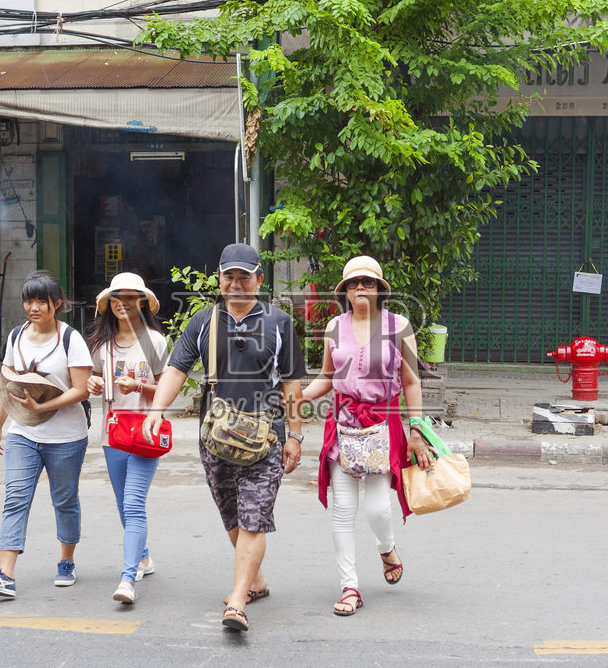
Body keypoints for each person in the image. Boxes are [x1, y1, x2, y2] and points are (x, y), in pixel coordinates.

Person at [142, 243, 307, 633]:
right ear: (219, 278)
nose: (235, 283)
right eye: (228, 275)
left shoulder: (279, 323)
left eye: (243, 276)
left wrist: (296, 435)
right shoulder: (201, 322)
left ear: (258, 280)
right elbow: (177, 370)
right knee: (231, 514)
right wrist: (155, 411)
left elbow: (292, 384)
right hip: (215, 436)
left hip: (265, 437)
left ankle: (237, 600)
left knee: (254, 518)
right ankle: (257, 580)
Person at [299, 256, 434, 617]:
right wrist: (300, 394)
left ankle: (386, 547)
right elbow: (328, 376)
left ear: (379, 289)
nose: (361, 287)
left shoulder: (399, 326)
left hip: (382, 423)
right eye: (354, 283)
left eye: (368, 282)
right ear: (344, 290)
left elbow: (411, 382)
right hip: (343, 424)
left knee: (377, 508)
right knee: (343, 511)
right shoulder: (333, 327)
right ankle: (350, 586)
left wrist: (417, 430)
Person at [0, 270, 93, 599]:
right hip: (22, 432)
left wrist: (44, 406)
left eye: (42, 301)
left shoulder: (71, 339)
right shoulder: (16, 337)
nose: (34, 307)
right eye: (29, 300)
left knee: (64, 500)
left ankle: (66, 561)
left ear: (57, 304)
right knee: (15, 498)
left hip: (66, 436)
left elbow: (81, 390)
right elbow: (7, 385)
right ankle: (5, 574)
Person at [84, 272, 170, 605]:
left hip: (147, 430)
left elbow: (167, 388)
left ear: (142, 303)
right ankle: (144, 557)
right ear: (110, 304)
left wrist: (139, 387)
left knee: (133, 503)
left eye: (132, 298)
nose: (124, 304)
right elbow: (92, 381)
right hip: (112, 432)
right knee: (124, 504)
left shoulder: (154, 342)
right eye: (117, 298)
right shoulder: (102, 346)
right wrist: (92, 384)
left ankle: (127, 577)